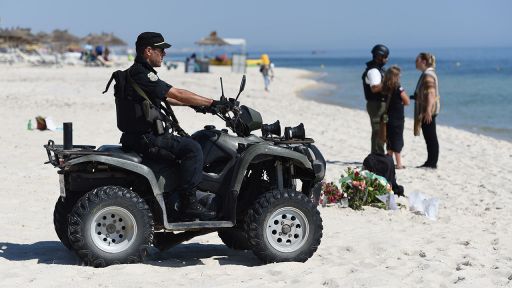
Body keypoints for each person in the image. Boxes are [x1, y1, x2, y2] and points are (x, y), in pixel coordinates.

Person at [118, 32, 229, 220]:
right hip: (147, 138)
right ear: (148, 51)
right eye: (161, 50)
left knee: (188, 144)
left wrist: (199, 106)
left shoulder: (138, 73)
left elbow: (167, 98)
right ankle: (189, 203)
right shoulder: (141, 73)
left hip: (137, 136)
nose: (164, 54)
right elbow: (176, 93)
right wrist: (211, 102)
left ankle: (177, 194)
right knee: (193, 148)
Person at [412, 52, 441, 169]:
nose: (415, 62)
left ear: (423, 61)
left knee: (430, 136)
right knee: (430, 136)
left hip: (427, 111)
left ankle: (432, 162)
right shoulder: (428, 73)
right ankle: (431, 161)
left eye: (417, 60)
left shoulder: (428, 74)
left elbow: (431, 93)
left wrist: (428, 110)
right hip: (427, 109)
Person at [362, 44, 390, 154]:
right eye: (385, 57)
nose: (387, 59)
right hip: (376, 104)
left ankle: (378, 152)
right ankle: (377, 153)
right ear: (379, 56)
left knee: (382, 129)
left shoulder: (377, 69)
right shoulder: (373, 71)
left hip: (379, 103)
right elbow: (374, 88)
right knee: (378, 130)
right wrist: (391, 84)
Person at [381, 65, 410, 169]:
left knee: (389, 139)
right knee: (397, 140)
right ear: (396, 77)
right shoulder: (398, 88)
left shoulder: (385, 88)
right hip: (397, 118)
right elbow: (407, 101)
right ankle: (399, 164)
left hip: (388, 118)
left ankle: (389, 162)